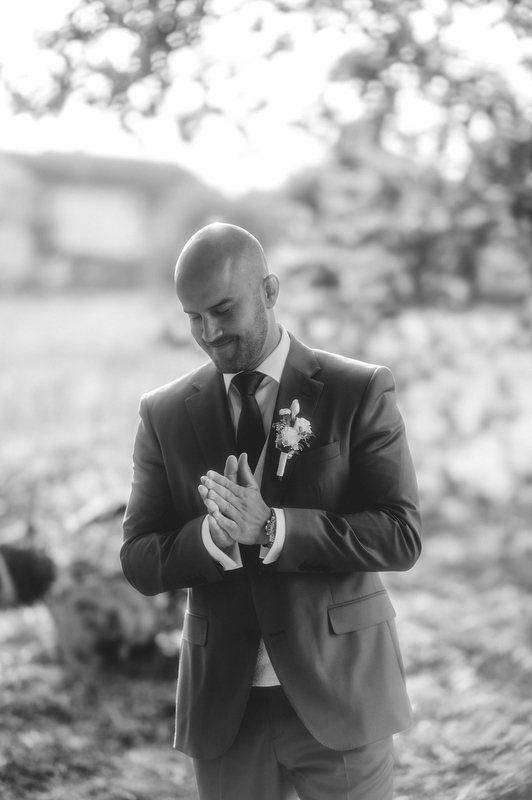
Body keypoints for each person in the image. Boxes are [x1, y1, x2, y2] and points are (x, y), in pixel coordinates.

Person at [121, 222, 422, 800]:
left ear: (269, 290)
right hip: (224, 711)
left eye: (222, 309)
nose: (209, 333)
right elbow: (137, 557)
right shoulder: (163, 414)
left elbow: (400, 534)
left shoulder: (358, 389)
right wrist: (211, 539)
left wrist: (274, 528)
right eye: (193, 317)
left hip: (342, 692)